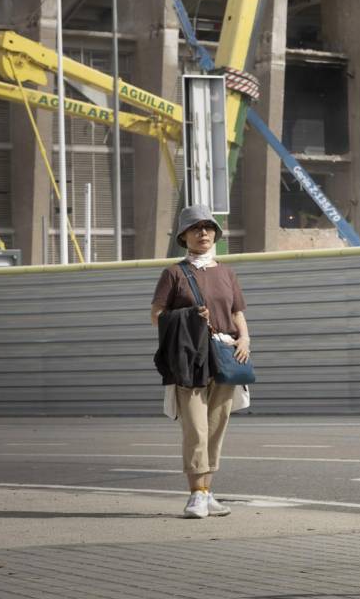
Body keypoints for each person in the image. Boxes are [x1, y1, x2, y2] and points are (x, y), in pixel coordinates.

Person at [150, 205, 252, 519]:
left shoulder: (227, 272)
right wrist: (190, 318)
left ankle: (207, 492)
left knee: (215, 427)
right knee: (195, 427)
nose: (203, 233)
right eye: (196, 228)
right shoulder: (174, 273)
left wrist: (245, 339)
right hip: (189, 357)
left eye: (208, 228)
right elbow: (156, 315)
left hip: (223, 354)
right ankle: (195, 494)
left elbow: (237, 313)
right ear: (184, 236)